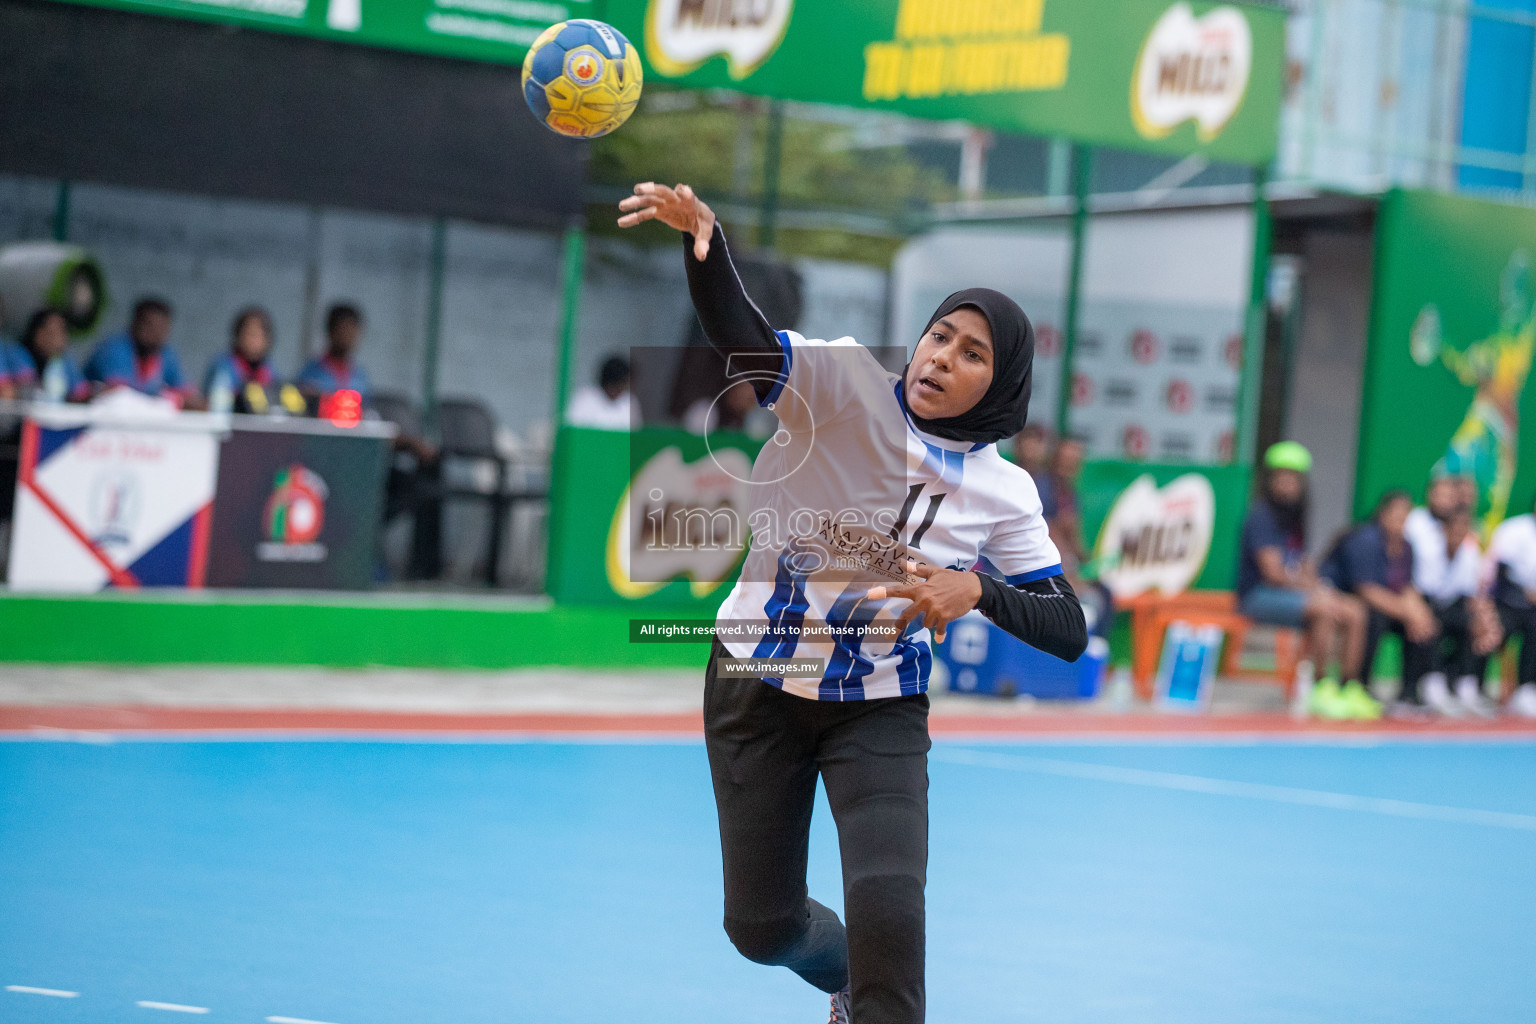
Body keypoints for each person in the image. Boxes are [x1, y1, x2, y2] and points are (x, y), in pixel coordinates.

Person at [618, 181, 1087, 1024]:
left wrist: (977, 587)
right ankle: (840, 978)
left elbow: (1067, 628)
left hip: (879, 705)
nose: (944, 356)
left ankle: (870, 994)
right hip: (759, 678)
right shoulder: (839, 382)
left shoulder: (1005, 493)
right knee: (762, 929)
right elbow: (747, 341)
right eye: (940, 335)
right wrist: (707, 249)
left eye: (973, 352)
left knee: (892, 924)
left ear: (1002, 381)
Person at [1237, 441, 1371, 718]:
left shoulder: (1296, 516)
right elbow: (1273, 574)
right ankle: (1321, 688)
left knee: (1355, 611)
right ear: (1270, 480)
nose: (1288, 484)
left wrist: (1320, 586)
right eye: (1281, 477)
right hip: (1257, 596)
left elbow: (1303, 564)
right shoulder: (1261, 516)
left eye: (1293, 478)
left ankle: (1350, 687)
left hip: (1294, 594)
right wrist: (1315, 592)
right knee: (1322, 609)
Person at [1322, 490, 1440, 717]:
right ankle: (1359, 686)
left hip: (1388, 605)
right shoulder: (1364, 539)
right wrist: (1407, 613)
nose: (1402, 521)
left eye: (1406, 516)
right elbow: (1366, 590)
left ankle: (1409, 693)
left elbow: (1407, 587)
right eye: (1397, 515)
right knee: (1373, 619)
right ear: (1383, 514)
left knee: (1424, 624)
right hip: (1346, 601)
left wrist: (1419, 614)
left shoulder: (1406, 546)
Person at [1405, 475, 1503, 716]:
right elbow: (1419, 592)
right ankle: (1433, 684)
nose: (1459, 534)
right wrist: (1420, 614)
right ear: (1443, 530)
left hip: (1452, 606)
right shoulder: (1427, 546)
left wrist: (1482, 621)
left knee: (1475, 624)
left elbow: (1470, 597)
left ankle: (1467, 686)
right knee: (1430, 622)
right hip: (1425, 603)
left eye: (1464, 529)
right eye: (1455, 529)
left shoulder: (1469, 554)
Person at [84, 297, 196, 405]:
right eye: (150, 326)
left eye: (162, 329)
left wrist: (179, 397)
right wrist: (167, 397)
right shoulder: (113, 349)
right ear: (135, 324)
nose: (156, 334)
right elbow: (119, 393)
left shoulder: (166, 353)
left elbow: (188, 394)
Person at [1485, 492, 1536, 717]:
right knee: (1492, 626)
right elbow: (1499, 577)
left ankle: (1527, 689)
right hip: (1506, 603)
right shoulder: (1514, 530)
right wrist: (1526, 596)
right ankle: (1473, 685)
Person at [204, 307, 278, 413]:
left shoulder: (269, 368)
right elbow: (217, 408)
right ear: (238, 335)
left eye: (258, 335)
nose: (253, 340)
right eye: (250, 334)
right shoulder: (224, 365)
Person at [7, 308, 89, 403]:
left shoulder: (63, 362)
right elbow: (26, 392)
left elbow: (83, 394)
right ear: (39, 335)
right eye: (55, 332)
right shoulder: (18, 353)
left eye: (64, 331)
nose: (62, 338)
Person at [296, 303, 372, 403]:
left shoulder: (360, 377)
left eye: (353, 331)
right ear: (331, 331)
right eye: (344, 330)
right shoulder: (311, 375)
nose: (349, 337)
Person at [566, 354, 635, 430]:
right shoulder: (584, 398)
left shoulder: (629, 401)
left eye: (623, 386)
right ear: (608, 384)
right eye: (617, 386)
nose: (620, 390)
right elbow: (572, 433)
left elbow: (634, 436)